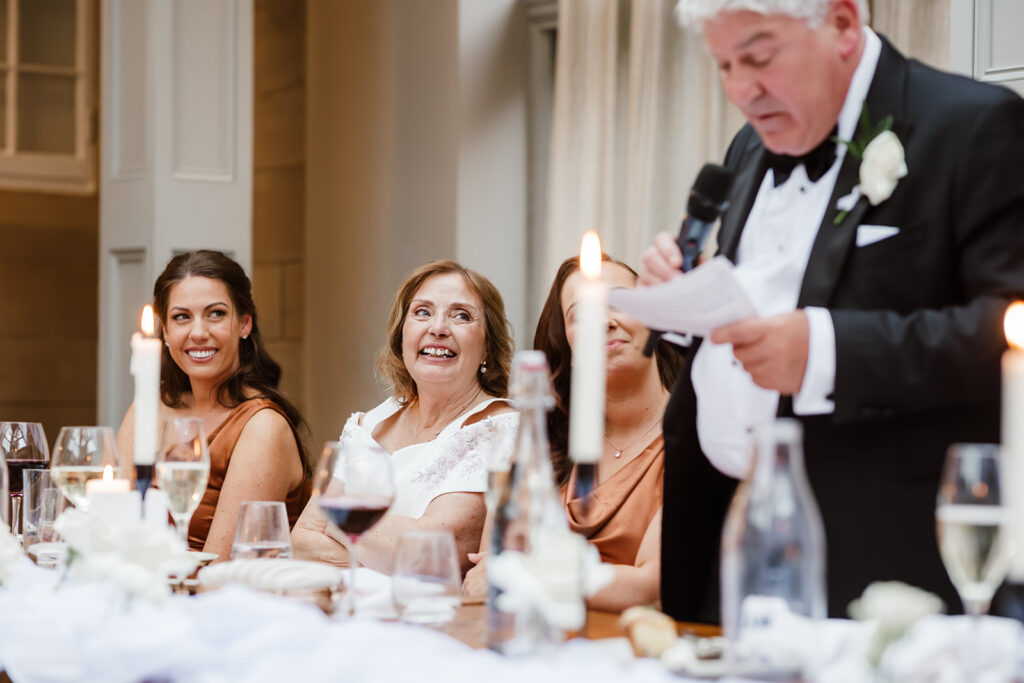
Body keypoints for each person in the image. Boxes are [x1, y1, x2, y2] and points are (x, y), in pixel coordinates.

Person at [640, 0, 1024, 621]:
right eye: (724, 65)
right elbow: (765, 297)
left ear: (843, 24)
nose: (742, 90)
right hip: (726, 539)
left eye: (760, 58)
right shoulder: (749, 146)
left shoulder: (973, 126)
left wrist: (827, 353)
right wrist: (687, 300)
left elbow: (1008, 326)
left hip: (884, 554)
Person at [463, 255, 682, 612]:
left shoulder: (694, 437)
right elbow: (483, 578)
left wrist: (523, 570)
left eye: (621, 302)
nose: (604, 322)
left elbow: (648, 589)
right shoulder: (540, 443)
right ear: (567, 346)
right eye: (581, 315)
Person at [291, 260, 517, 575]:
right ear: (401, 337)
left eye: (461, 315)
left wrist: (338, 522)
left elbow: (433, 552)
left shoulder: (502, 430)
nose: (438, 328)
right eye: (422, 312)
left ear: (487, 348)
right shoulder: (368, 425)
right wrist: (386, 551)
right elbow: (301, 541)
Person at [117, 250, 311, 559]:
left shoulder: (263, 427)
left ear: (244, 324)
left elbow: (223, 568)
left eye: (216, 313)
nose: (198, 333)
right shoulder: (149, 409)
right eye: (182, 317)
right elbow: (114, 524)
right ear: (165, 331)